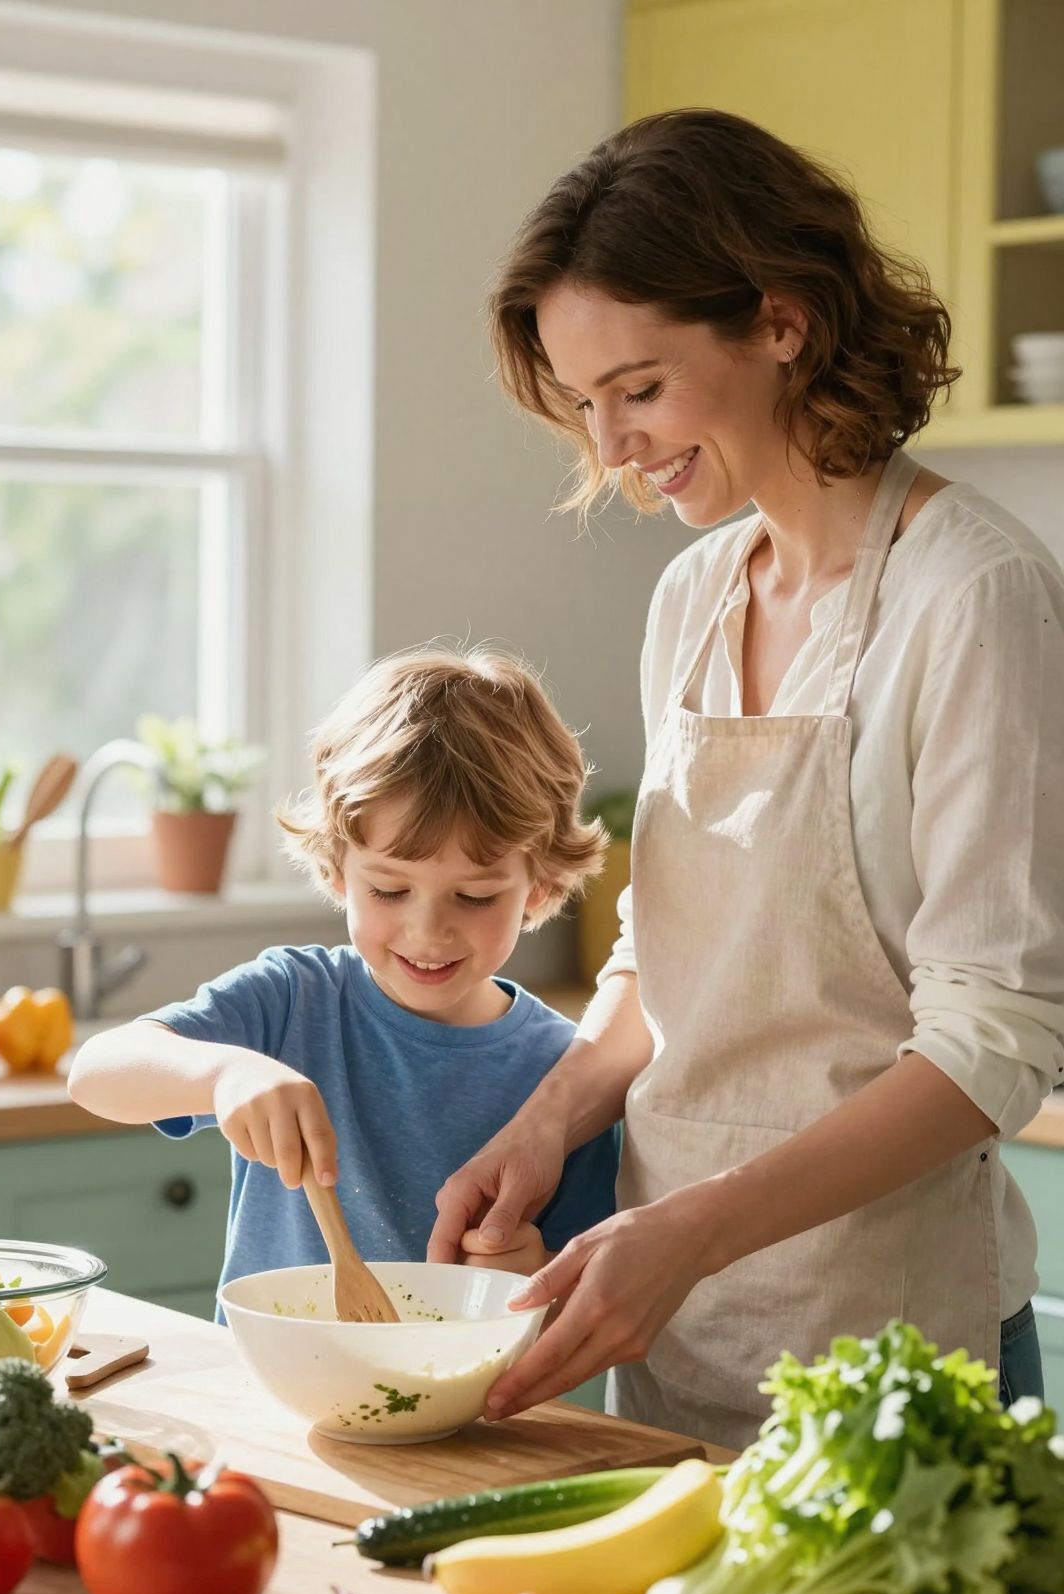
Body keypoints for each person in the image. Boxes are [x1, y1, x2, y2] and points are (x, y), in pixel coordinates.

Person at [429, 108, 1064, 1449]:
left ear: (782, 321)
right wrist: (549, 1122)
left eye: (640, 388)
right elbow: (667, 959)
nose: (613, 446)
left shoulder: (975, 594)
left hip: (900, 1344)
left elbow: (993, 1042)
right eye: (586, 404)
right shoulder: (694, 594)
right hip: (674, 1327)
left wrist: (693, 1231)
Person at [68, 647, 620, 1307]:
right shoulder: (291, 1000)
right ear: (336, 870)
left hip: (470, 1378)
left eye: (474, 897)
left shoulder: (570, 1078)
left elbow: (588, 1295)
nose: (428, 931)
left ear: (541, 887)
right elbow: (95, 1072)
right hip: (267, 1371)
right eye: (389, 889)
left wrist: (534, 1273)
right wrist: (224, 1075)